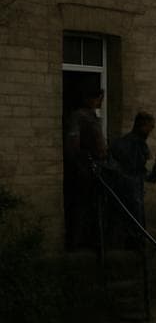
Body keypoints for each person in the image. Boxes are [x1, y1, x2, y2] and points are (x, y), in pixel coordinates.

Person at [106, 111, 156, 236]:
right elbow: (144, 174)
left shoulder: (119, 142)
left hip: (117, 192)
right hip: (130, 192)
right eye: (151, 127)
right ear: (143, 126)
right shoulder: (138, 145)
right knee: (134, 228)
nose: (151, 131)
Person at [63, 87, 109, 250]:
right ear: (89, 98)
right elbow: (72, 144)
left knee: (95, 206)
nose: (101, 102)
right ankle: (76, 244)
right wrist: (82, 164)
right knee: (82, 206)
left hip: (97, 167)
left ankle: (92, 241)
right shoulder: (79, 116)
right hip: (85, 168)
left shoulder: (93, 116)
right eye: (98, 98)